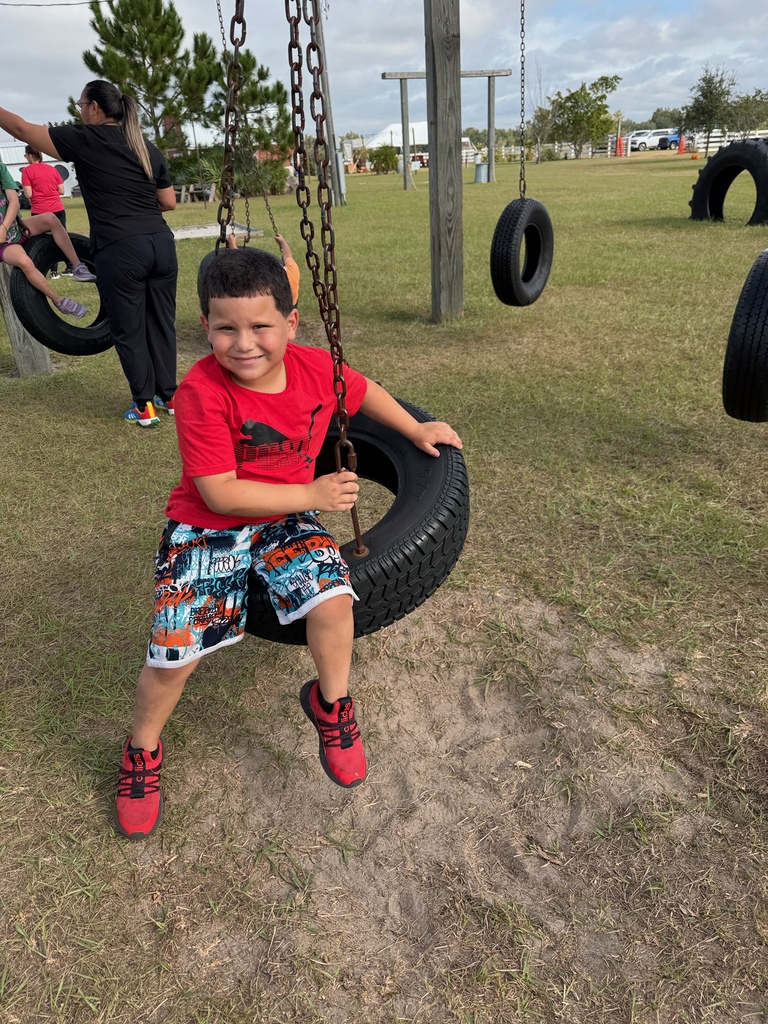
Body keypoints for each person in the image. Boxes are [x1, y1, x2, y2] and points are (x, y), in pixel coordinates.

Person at [114, 246, 463, 839]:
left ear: (291, 324)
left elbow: (363, 389)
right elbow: (221, 494)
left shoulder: (313, 369)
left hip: (284, 520)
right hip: (209, 525)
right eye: (226, 328)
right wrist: (315, 496)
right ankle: (142, 750)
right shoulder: (202, 392)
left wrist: (415, 428)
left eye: (260, 327)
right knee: (176, 655)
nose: (243, 343)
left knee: (333, 600)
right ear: (206, 327)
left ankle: (331, 704)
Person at [0, 81, 179, 428]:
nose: (80, 111)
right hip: (161, 244)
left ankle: (144, 406)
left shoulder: (86, 138)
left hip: (121, 247)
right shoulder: (147, 148)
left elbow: (21, 128)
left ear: (95, 107)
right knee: (160, 323)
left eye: (81, 105)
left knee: (127, 328)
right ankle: (168, 396)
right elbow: (168, 202)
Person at [1, 160, 95, 318]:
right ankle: (60, 301)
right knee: (24, 262)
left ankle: (78, 267)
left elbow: (14, 201)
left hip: (15, 227)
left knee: (51, 219)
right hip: (4, 244)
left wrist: (4, 227)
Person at [21, 144, 73, 277]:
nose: (26, 158)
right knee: (63, 236)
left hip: (40, 211)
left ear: (31, 156)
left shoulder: (27, 171)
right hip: (57, 208)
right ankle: (71, 266)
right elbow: (61, 190)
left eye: (26, 156)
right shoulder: (52, 169)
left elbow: (28, 194)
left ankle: (53, 271)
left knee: (43, 241)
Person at [226, 230, 300, 306]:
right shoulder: (292, 271)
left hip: (272, 311)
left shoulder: (265, 285)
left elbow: (243, 263)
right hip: (290, 306)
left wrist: (232, 244)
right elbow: (288, 256)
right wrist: (283, 242)